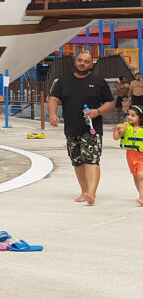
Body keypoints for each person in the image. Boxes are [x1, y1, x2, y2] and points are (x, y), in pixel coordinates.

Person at [48, 51, 116, 205]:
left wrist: (98, 111)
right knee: (77, 161)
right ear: (76, 62)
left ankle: (91, 193)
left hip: (92, 128)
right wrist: (52, 114)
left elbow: (110, 103)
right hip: (71, 128)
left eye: (86, 61)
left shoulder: (99, 82)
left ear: (91, 65)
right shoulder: (63, 82)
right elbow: (53, 98)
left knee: (91, 159)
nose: (82, 63)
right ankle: (84, 191)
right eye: (80, 60)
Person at [112, 104, 143, 206]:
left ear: (140, 117)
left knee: (141, 175)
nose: (129, 117)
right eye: (128, 115)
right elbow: (116, 138)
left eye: (133, 115)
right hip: (131, 155)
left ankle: (141, 198)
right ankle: (141, 194)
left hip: (141, 154)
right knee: (135, 175)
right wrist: (118, 130)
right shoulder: (125, 127)